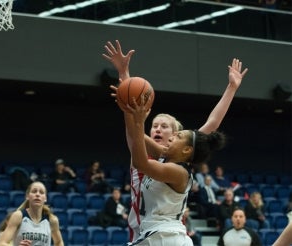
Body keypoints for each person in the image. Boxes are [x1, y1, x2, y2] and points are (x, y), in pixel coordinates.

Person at [103, 39, 248, 242]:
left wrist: (231, 88)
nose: (158, 129)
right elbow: (133, 127)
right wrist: (124, 77)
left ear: (176, 136)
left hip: (165, 233)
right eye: (154, 125)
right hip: (141, 233)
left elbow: (211, 125)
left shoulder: (179, 163)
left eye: (165, 127)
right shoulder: (149, 150)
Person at [115, 84, 228, 245]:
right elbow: (134, 133)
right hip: (153, 233)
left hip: (165, 235)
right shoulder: (164, 156)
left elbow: (141, 160)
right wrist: (128, 96)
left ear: (186, 150)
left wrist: (139, 122)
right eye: (155, 126)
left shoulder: (178, 170)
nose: (172, 137)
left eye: (177, 135)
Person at [0, 181, 64, 246]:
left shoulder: (52, 220)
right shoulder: (18, 216)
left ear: (45, 198)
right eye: (34, 191)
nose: (37, 194)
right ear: (27, 196)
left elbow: (59, 242)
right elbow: (1, 243)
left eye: (41, 192)